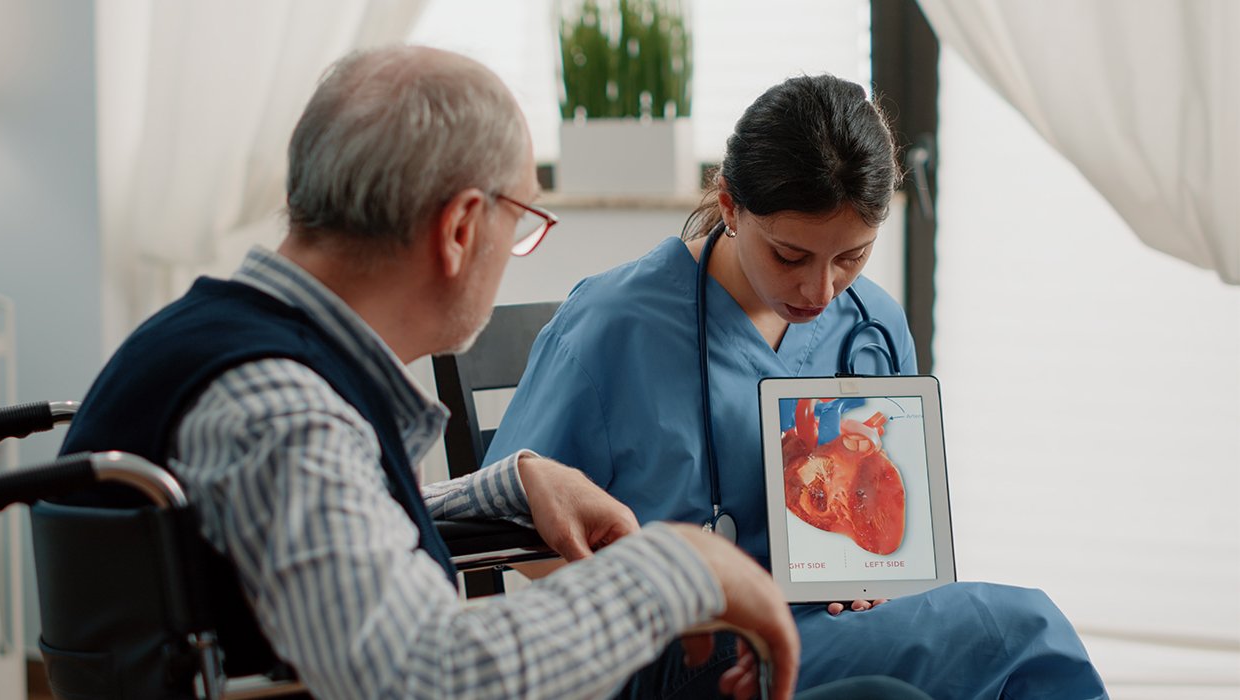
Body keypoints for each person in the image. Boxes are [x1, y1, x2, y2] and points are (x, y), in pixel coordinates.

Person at [55, 47, 940, 700]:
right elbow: (422, 676)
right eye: (523, 221)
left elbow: (289, 539)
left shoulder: (223, 355)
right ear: (458, 229)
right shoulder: (284, 412)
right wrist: (680, 568)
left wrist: (505, 488)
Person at [485, 73, 1110, 700]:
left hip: (831, 639)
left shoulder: (875, 325)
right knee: (1023, 632)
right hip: (686, 653)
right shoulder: (613, 324)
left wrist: (874, 579)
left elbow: (894, 538)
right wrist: (670, 596)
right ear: (729, 205)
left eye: (852, 258)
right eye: (791, 257)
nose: (821, 291)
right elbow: (513, 530)